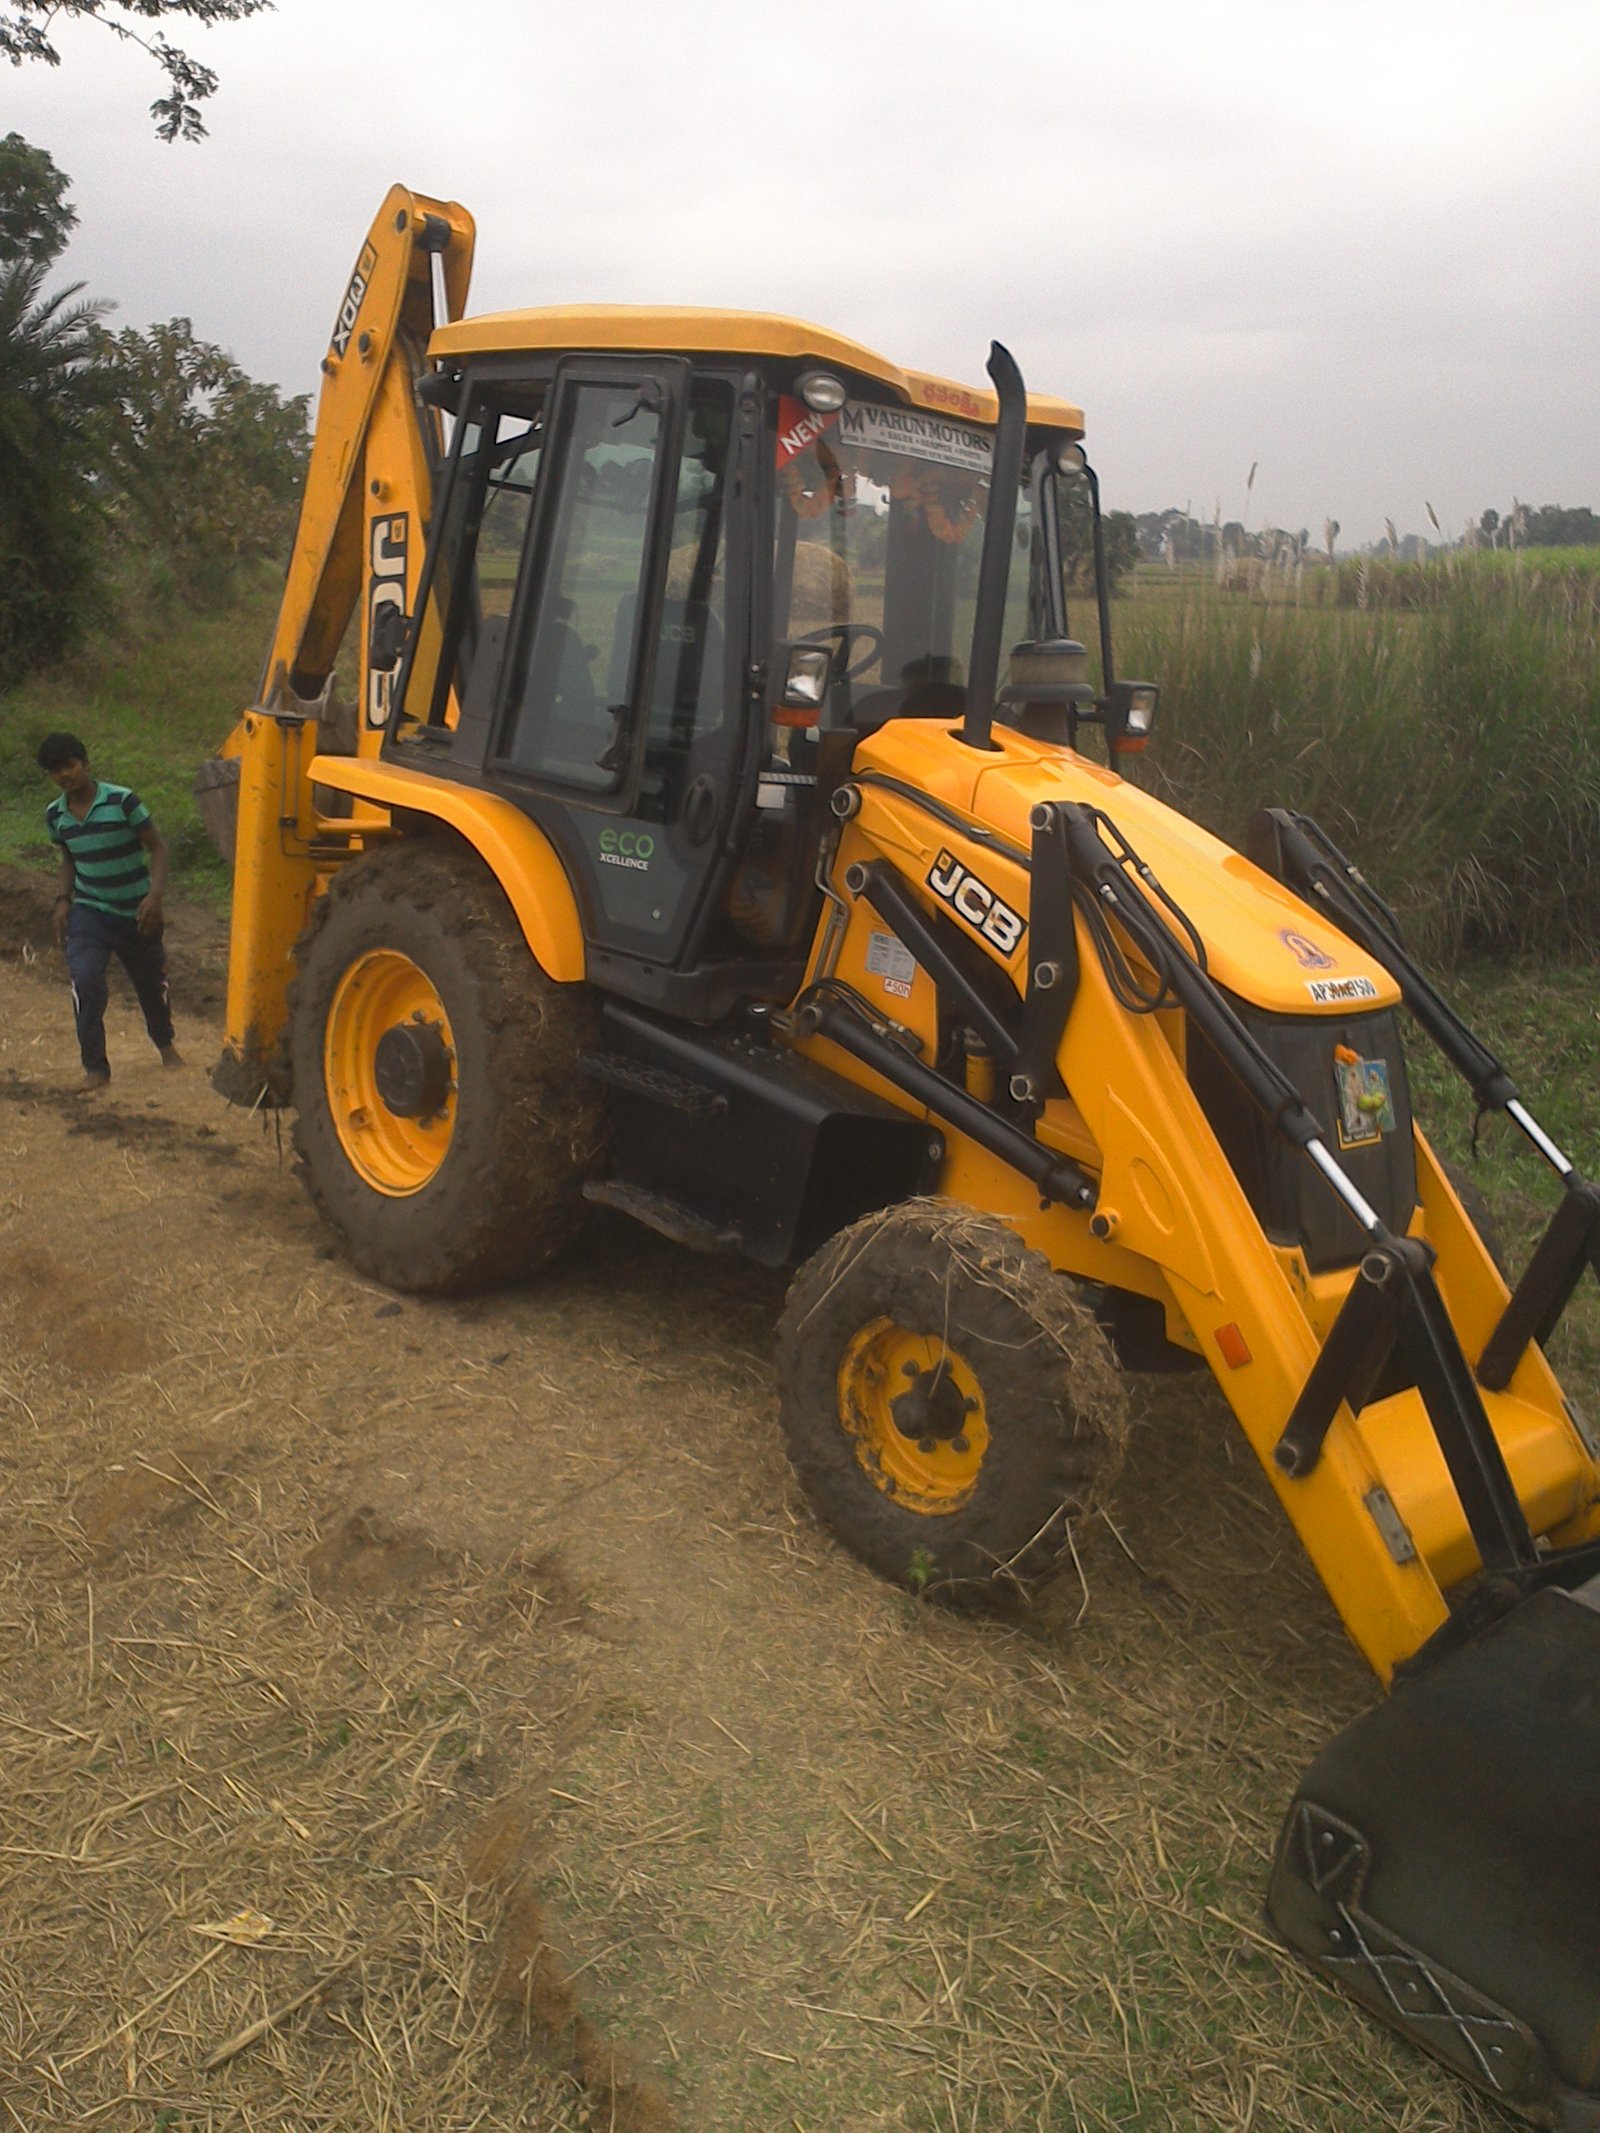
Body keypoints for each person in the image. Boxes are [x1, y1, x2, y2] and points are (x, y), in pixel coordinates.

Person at [36, 731, 183, 1092]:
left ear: (85, 764)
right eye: (55, 770)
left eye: (69, 765)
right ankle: (95, 1068)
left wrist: (155, 896)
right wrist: (62, 900)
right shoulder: (56, 815)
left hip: (137, 913)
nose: (64, 775)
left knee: (151, 985)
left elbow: (158, 847)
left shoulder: (122, 801)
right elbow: (68, 857)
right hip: (90, 912)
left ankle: (165, 1046)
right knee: (85, 981)